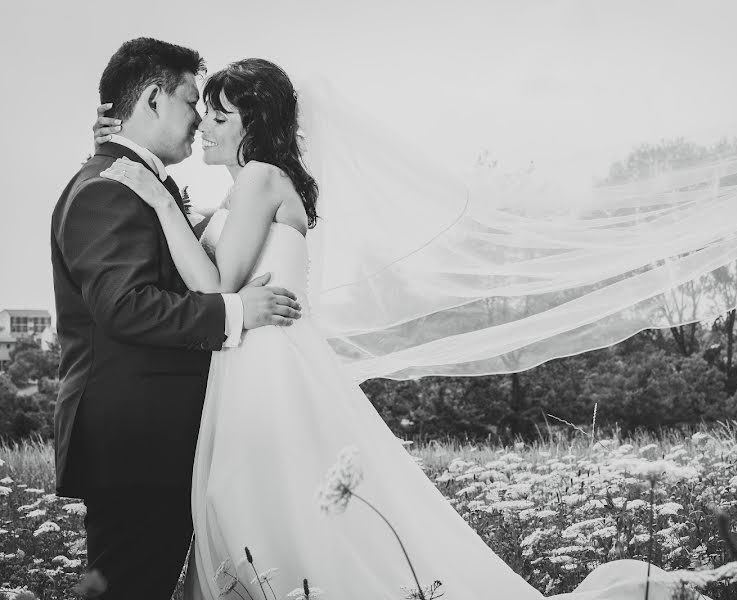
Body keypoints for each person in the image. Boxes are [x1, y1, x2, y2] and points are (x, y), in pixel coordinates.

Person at [96, 53, 703, 599]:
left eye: (220, 116)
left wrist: (153, 199)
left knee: (260, 502)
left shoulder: (258, 179)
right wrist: (145, 170)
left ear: (252, 124)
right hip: (259, 357)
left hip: (265, 364)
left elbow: (214, 287)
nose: (204, 125)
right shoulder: (253, 190)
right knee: (272, 504)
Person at [52, 38, 302, 600]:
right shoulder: (108, 190)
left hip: (158, 440)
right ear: (153, 100)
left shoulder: (132, 183)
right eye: (193, 102)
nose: (199, 120)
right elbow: (124, 306)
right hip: (137, 442)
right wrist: (237, 310)